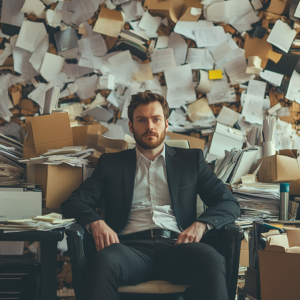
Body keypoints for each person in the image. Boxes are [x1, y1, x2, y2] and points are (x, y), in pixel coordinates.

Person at [61, 90, 240, 300]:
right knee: (102, 262)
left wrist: (202, 225)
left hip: (178, 247)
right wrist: (96, 223)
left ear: (166, 124)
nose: (149, 126)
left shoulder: (191, 160)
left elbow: (229, 203)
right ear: (131, 126)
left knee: (212, 259)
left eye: (156, 119)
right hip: (128, 249)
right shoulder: (112, 164)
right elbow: (74, 202)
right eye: (141, 120)